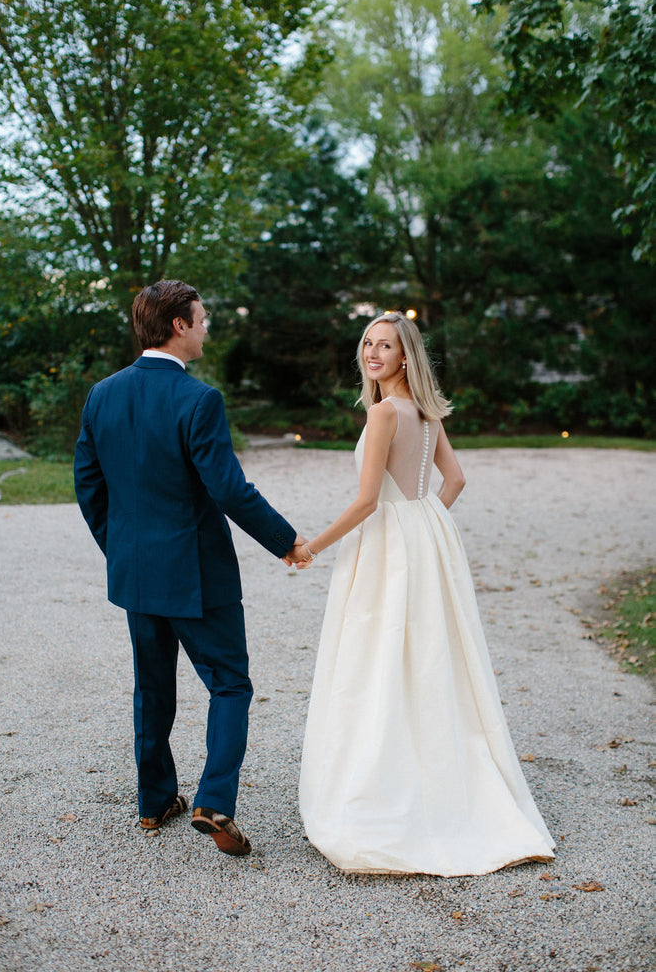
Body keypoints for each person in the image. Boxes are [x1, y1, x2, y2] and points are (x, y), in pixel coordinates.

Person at [293, 312, 555, 875]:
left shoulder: (386, 412)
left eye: (384, 344)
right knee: (427, 660)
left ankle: (383, 788)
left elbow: (367, 502)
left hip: (386, 547)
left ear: (405, 355)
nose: (372, 352)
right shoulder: (426, 413)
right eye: (367, 342)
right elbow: (453, 481)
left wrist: (313, 546)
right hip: (420, 543)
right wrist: (423, 525)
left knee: (377, 658)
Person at [74, 279, 304, 857]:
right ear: (179, 325)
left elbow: (88, 485)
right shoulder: (198, 400)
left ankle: (154, 802)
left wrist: (121, 548)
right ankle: (213, 801)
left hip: (136, 573)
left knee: (151, 687)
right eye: (202, 319)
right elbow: (229, 489)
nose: (206, 328)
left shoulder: (102, 394)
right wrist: (284, 540)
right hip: (197, 575)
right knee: (230, 684)